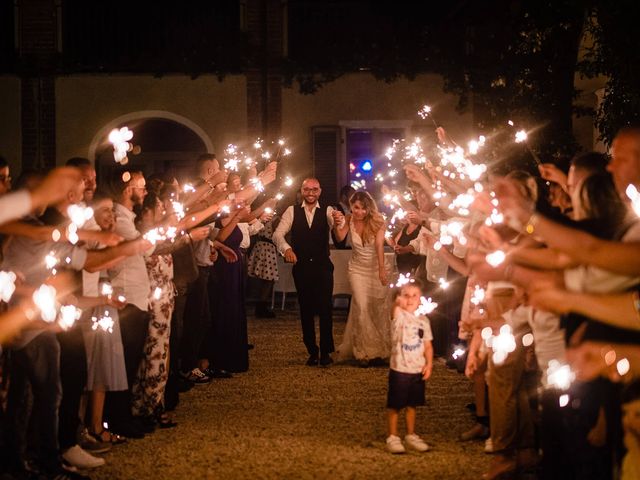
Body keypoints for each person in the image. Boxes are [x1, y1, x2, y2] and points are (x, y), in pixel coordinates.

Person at [272, 178, 339, 366]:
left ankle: (326, 351)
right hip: (301, 268)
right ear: (301, 191)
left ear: (320, 191)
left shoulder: (327, 210)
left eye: (314, 190)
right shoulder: (292, 211)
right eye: (307, 189)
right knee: (306, 309)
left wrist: (340, 221)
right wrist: (286, 249)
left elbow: (338, 231)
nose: (310, 193)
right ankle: (312, 350)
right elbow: (277, 234)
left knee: (326, 308)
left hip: (323, 267)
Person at [332, 191, 392, 365]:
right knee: (362, 305)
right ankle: (363, 352)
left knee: (377, 308)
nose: (358, 212)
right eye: (355, 207)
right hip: (357, 269)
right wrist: (337, 224)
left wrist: (381, 270)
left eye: (362, 209)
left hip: (375, 268)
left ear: (368, 209)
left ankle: (379, 349)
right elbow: (340, 237)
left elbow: (380, 246)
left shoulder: (378, 221)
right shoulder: (349, 219)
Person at [386, 280, 433, 454]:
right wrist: (397, 301)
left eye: (415, 295)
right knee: (395, 405)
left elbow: (428, 345)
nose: (410, 299)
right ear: (399, 299)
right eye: (406, 295)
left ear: (421, 299)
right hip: (400, 369)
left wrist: (429, 363)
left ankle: (411, 434)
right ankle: (392, 436)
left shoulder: (424, 321)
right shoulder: (399, 317)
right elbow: (394, 310)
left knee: (412, 404)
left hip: (416, 369)